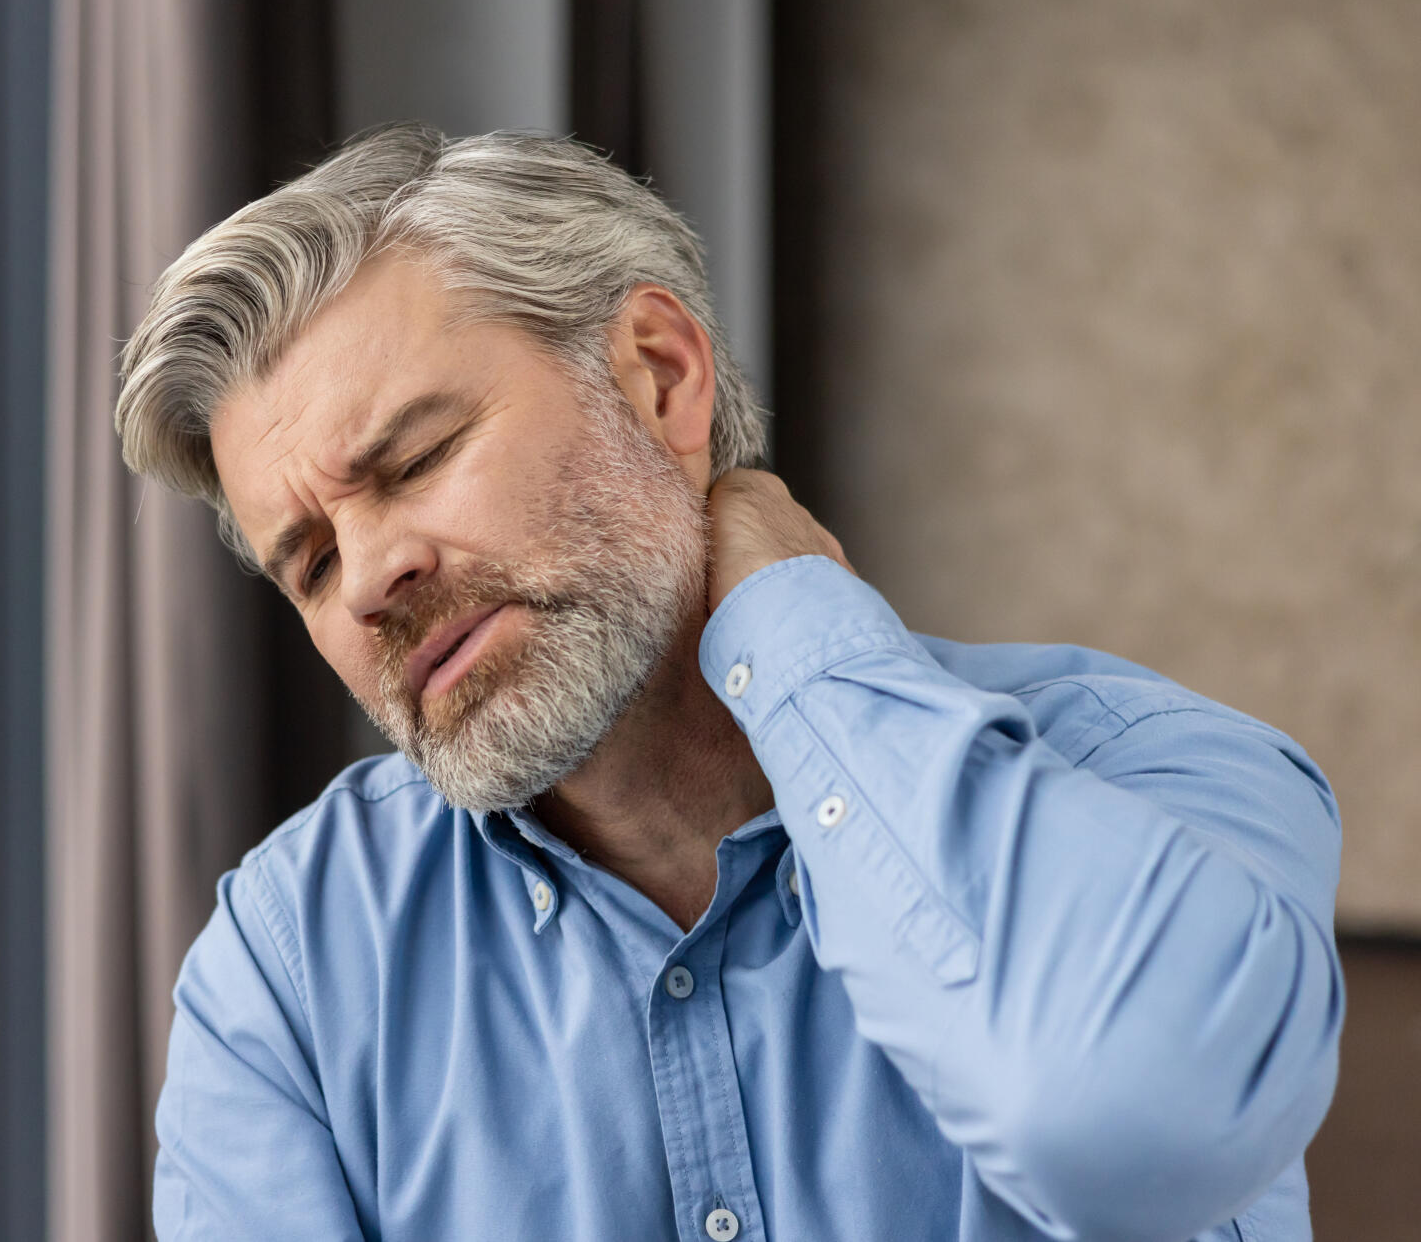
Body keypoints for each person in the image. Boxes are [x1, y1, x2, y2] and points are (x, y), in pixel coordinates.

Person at [114, 124, 1343, 1242]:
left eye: (418, 457)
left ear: (658, 374)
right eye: (313, 563)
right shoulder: (289, 966)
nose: (373, 576)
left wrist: (792, 622)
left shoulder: (1153, 769)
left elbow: (1122, 1122)